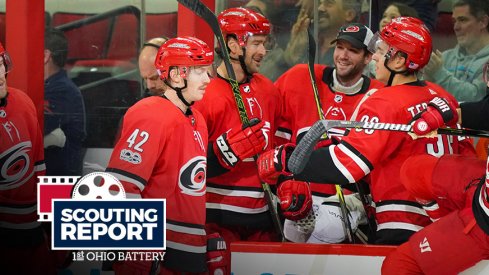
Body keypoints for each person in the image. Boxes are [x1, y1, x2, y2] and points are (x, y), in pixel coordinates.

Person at [257, 17, 476, 245]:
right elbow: (465, 159)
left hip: (401, 223)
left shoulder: (385, 101)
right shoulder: (441, 96)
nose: (377, 59)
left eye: (381, 52)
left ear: (400, 60)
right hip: (448, 223)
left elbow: (347, 164)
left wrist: (287, 160)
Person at [105, 36, 216, 274]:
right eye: (200, 71)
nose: (208, 79)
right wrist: (136, 249)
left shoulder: (198, 119)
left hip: (186, 250)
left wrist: (199, 237)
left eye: (208, 70)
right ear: (175, 74)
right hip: (160, 251)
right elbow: (121, 188)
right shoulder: (151, 114)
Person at [274, 23, 384, 243]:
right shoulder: (300, 78)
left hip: (345, 204)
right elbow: (278, 134)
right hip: (297, 199)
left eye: (352, 50)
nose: (343, 56)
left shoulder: (379, 97)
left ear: (368, 57)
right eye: (340, 47)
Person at [192, 7, 282, 274]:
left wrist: (286, 179)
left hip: (264, 217)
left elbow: (277, 147)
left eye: (264, 44)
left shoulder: (269, 89)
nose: (263, 51)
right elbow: (186, 165)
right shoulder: (203, 93)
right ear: (232, 45)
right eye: (255, 43)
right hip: (218, 220)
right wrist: (224, 152)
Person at [382, 154, 488, 274]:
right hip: (481, 184)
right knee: (413, 172)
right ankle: (444, 226)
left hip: (483, 220)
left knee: (399, 265)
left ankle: (450, 238)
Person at [0, 43, 53, 274]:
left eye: (1, 64)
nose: (0, 75)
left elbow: (41, 169)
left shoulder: (22, 102)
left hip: (31, 234)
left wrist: (53, 230)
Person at [260, 0, 362, 81]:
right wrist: (289, 56)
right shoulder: (305, 44)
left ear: (349, 14)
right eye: (320, 3)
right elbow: (264, 79)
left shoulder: (357, 55)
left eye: (329, 3)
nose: (320, 8)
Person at [422, 0, 489, 102]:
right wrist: (427, 79)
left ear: (483, 22)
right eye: (454, 21)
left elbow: (477, 97)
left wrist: (439, 73)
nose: (456, 27)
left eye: (462, 20)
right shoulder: (444, 57)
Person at [44, 28, 86, 176]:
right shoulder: (52, 87)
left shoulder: (62, 90)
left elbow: (33, 130)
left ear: (45, 56)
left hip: (58, 181)